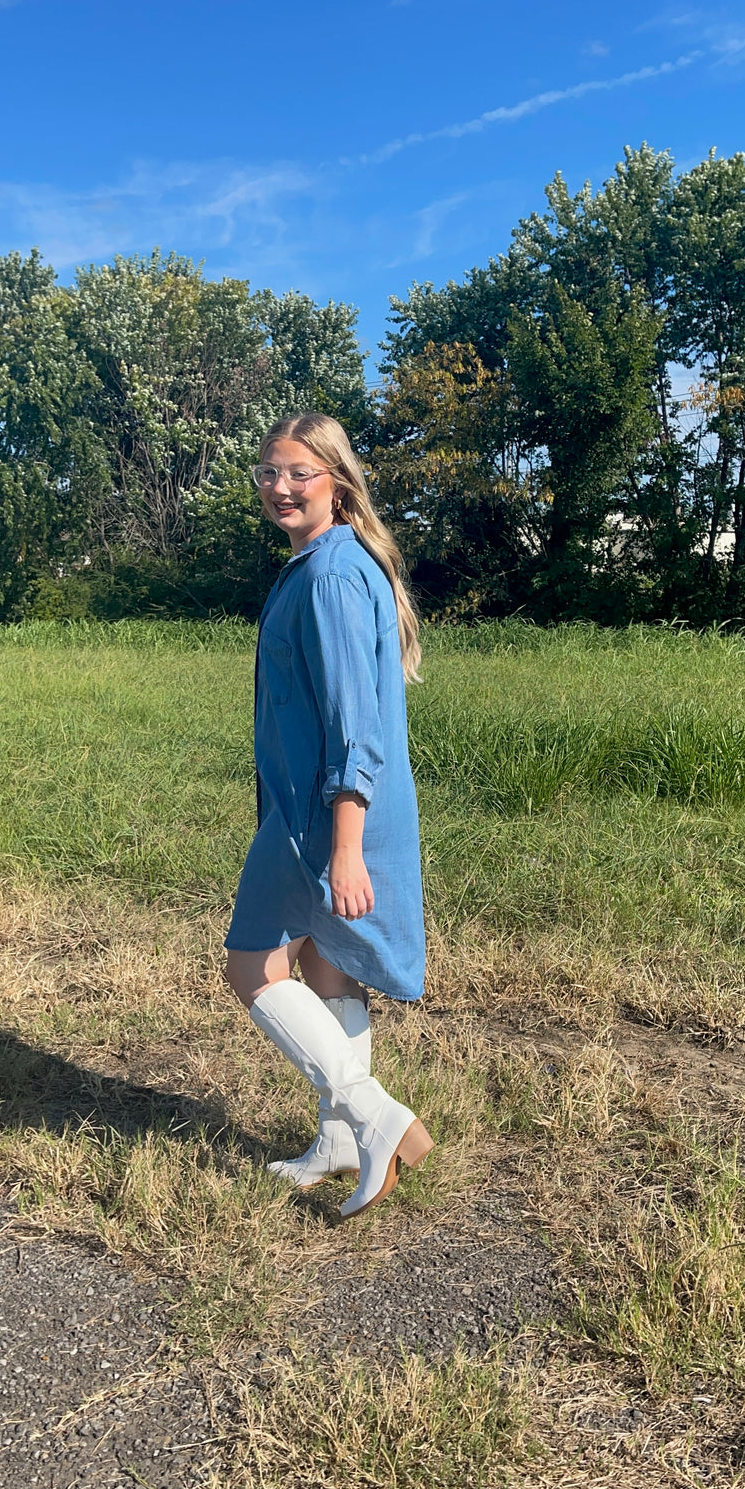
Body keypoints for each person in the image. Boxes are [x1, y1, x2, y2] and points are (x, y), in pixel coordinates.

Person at [224, 413, 433, 1220]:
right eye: (269, 472)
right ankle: (342, 1140)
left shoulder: (334, 577)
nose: (280, 487)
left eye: (298, 474)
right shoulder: (326, 563)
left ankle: (376, 1117)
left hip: (324, 815)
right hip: (317, 807)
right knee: (327, 964)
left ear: (336, 482)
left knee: (252, 966)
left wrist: (345, 847)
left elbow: (355, 727)